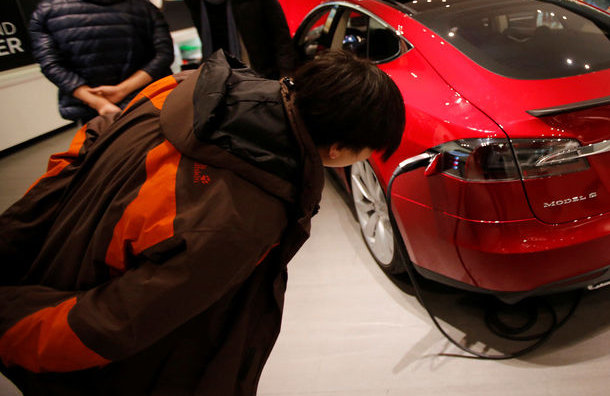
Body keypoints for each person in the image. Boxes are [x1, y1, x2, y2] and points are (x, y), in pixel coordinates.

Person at [0, 49, 405, 395]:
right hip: (109, 364)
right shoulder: (242, 216)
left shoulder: (184, 88)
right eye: (366, 153)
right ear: (337, 149)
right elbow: (114, 322)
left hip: (47, 266)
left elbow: (82, 150)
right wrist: (8, 325)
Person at [27, 0, 174, 122]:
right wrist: (122, 90)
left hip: (92, 112)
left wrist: (98, 102)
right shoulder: (146, 7)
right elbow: (164, 54)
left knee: (102, 148)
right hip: (148, 101)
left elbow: (51, 64)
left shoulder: (46, 11)